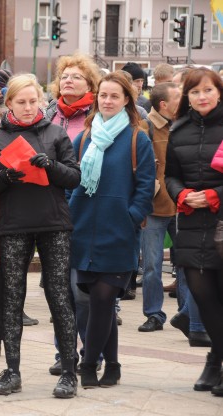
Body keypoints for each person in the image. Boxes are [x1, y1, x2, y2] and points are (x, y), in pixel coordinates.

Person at [0, 74, 80, 398]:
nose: (28, 107)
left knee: (59, 296)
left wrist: (50, 166)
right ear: (9, 103)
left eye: (33, 101)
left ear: (41, 101)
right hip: (14, 225)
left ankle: (69, 372)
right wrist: (5, 176)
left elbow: (74, 177)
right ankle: (12, 371)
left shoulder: (55, 133)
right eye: (21, 102)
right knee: (11, 298)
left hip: (53, 223)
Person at [70, 71, 155, 389]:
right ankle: (114, 365)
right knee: (98, 302)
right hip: (84, 234)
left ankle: (89, 364)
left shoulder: (137, 138)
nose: (107, 101)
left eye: (114, 96)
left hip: (118, 234)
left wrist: (130, 217)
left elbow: (145, 187)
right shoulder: (84, 138)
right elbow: (69, 180)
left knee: (103, 299)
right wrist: (70, 214)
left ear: (127, 101)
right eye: (103, 95)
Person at [165, 68, 223, 395]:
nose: (202, 97)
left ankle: (216, 361)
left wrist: (215, 195)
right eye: (195, 91)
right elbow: (170, 176)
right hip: (191, 223)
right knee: (202, 296)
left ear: (219, 92)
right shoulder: (179, 129)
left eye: (208, 90)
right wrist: (182, 194)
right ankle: (216, 359)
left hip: (221, 220)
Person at [44, 53, 102, 376]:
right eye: (64, 76)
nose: (68, 80)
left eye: (76, 76)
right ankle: (63, 352)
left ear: (90, 84)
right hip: (50, 208)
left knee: (82, 292)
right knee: (58, 290)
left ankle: (91, 350)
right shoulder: (48, 114)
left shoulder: (97, 116)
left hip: (85, 208)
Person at [137, 82, 181, 334]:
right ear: (164, 104)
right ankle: (154, 314)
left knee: (186, 264)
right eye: (178, 97)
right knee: (152, 266)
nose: (183, 101)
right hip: (154, 207)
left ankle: (187, 313)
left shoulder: (183, 125)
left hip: (182, 205)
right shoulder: (146, 127)